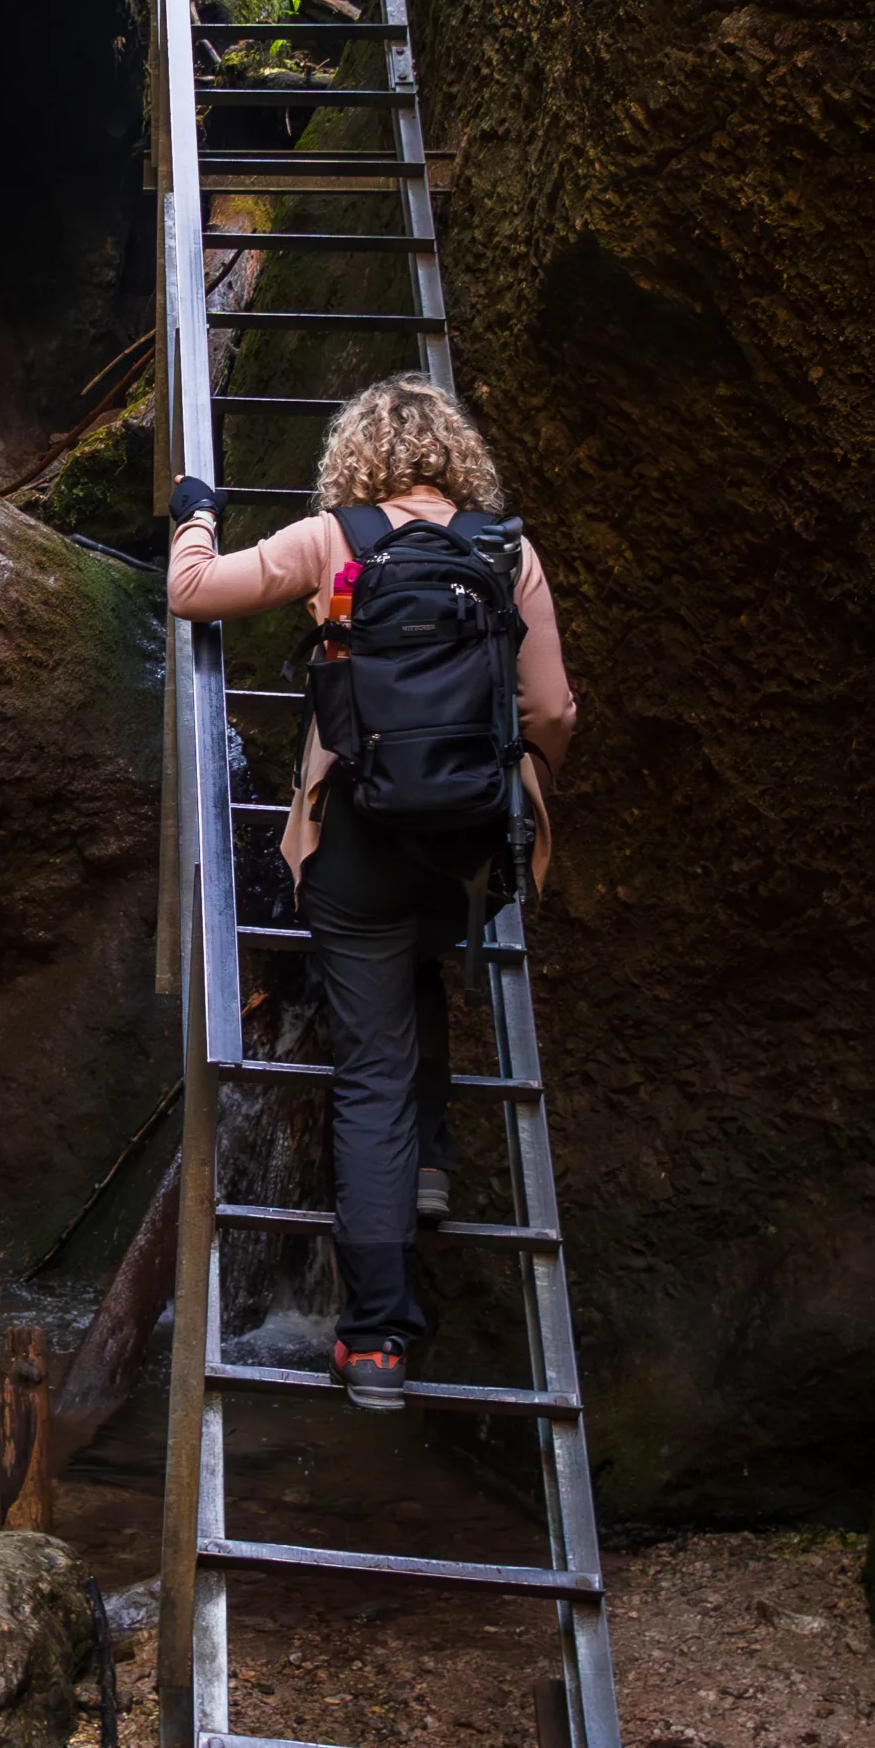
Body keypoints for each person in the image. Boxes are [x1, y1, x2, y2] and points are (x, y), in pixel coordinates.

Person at [167, 372, 577, 1410]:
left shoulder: (331, 538)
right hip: (467, 849)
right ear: (456, 457)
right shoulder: (506, 551)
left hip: (355, 839)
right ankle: (429, 1164)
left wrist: (194, 516)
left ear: (358, 455)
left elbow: (193, 594)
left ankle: (377, 1340)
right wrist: (517, 792)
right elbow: (555, 707)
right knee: (424, 952)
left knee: (367, 1071)